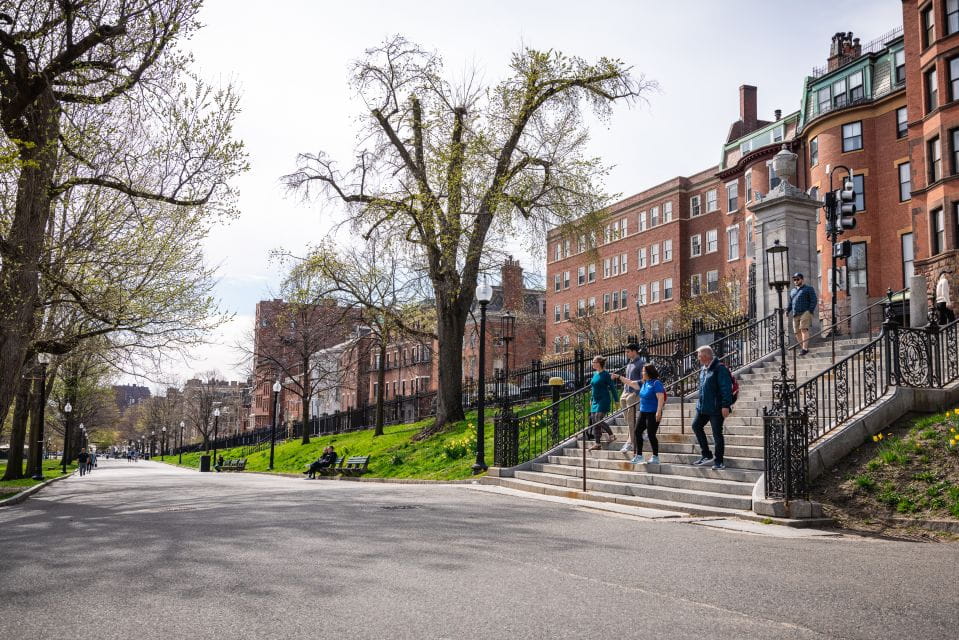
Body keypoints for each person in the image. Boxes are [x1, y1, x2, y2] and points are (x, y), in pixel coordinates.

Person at [690, 345, 733, 471]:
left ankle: (719, 461)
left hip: (716, 408)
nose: (698, 358)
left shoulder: (719, 369)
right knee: (696, 426)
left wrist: (725, 405)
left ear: (705, 356)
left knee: (717, 434)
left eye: (699, 356)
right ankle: (706, 455)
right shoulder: (703, 369)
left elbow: (726, 388)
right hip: (703, 407)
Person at [614, 343, 644, 455]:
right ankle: (637, 431)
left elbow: (642, 380)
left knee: (631, 418)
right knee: (627, 418)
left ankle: (630, 441)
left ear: (634, 351)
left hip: (634, 392)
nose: (626, 353)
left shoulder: (641, 363)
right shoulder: (629, 364)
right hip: (626, 391)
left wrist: (637, 391)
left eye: (628, 351)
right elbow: (628, 378)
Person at [587, 355, 618, 451]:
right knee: (594, 420)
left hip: (604, 399)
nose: (592, 363)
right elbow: (593, 387)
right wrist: (591, 399)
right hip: (595, 401)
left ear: (599, 363)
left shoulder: (606, 375)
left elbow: (612, 388)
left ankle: (611, 435)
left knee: (598, 419)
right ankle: (597, 443)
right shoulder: (594, 374)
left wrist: (616, 400)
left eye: (594, 362)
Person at [788, 273, 817, 355]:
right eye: (794, 280)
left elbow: (814, 300)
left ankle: (804, 348)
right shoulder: (793, 291)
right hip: (795, 313)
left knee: (803, 329)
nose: (796, 281)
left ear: (802, 280)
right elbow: (791, 303)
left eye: (797, 279)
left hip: (805, 312)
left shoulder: (809, 289)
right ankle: (804, 348)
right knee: (796, 332)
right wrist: (787, 310)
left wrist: (810, 310)